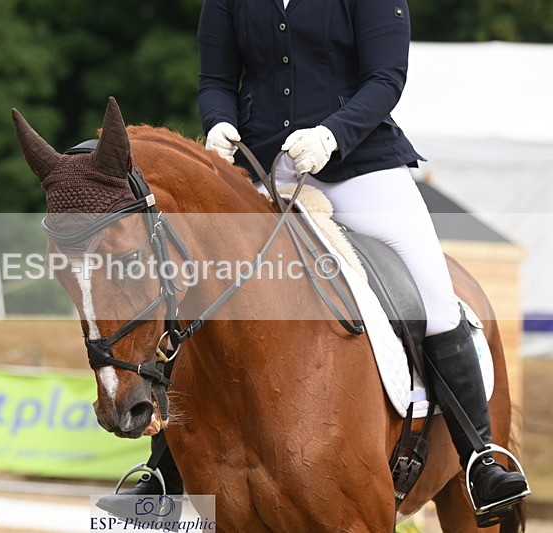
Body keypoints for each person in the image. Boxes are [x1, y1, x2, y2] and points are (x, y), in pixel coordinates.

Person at [99, 0, 529, 522]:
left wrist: (333, 134)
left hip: (361, 166)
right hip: (261, 167)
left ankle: (481, 457)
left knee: (436, 299)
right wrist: (217, 124)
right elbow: (215, 78)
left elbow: (386, 77)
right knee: (197, 297)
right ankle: (163, 467)